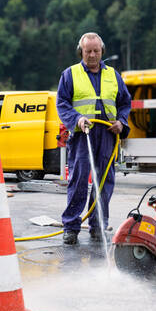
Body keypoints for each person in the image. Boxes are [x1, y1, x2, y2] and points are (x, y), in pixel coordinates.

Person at [56, 32, 131, 245]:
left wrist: (121, 122)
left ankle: (98, 226)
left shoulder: (113, 75)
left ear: (102, 51)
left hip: (107, 134)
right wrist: (77, 119)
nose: (92, 55)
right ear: (81, 51)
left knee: (105, 180)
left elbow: (125, 103)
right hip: (83, 135)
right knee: (79, 179)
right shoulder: (70, 75)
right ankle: (71, 226)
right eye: (88, 51)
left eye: (96, 51)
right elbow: (62, 103)